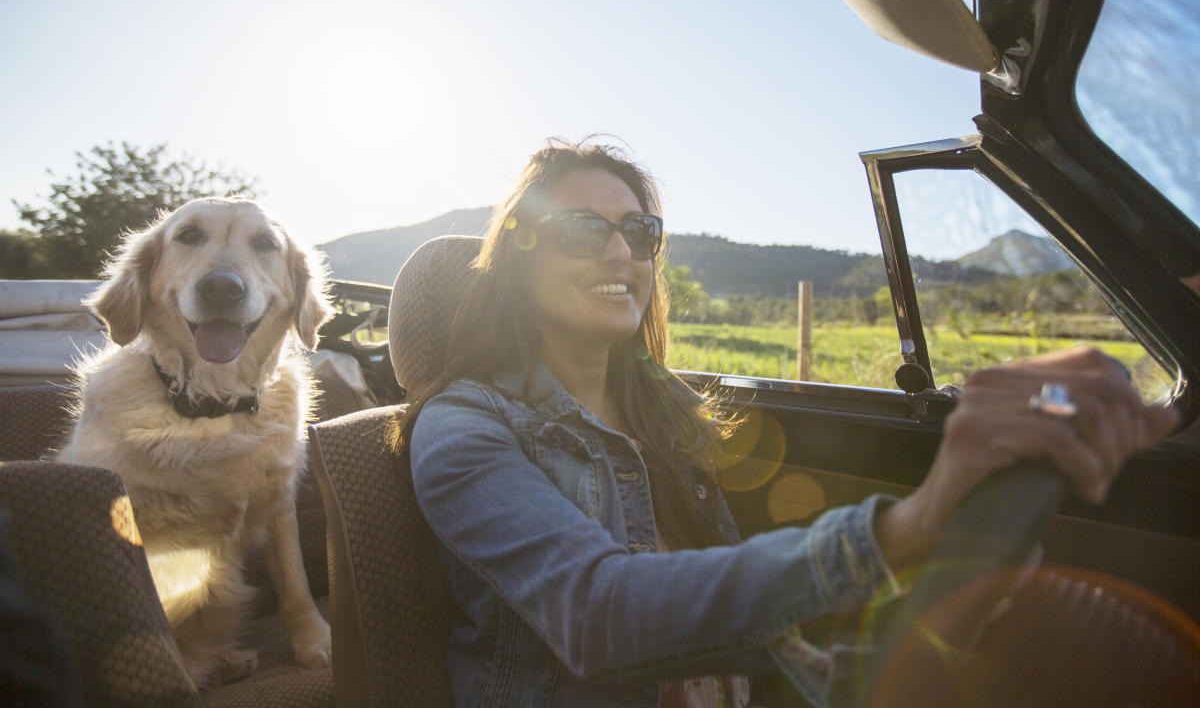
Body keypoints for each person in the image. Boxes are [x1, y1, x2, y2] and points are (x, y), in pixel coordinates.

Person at [401, 139, 1177, 707]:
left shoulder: (666, 410)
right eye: (582, 230)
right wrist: (904, 529)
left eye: (640, 233)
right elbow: (601, 614)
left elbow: (734, 604)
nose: (620, 251)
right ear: (518, 257)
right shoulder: (464, 431)